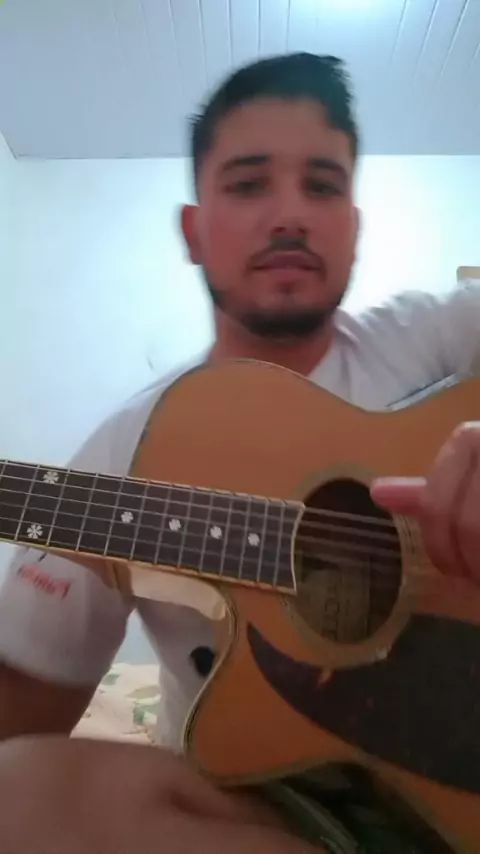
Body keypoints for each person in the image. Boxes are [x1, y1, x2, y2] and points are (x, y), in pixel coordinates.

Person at [0, 52, 479, 852]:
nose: (289, 214)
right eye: (250, 184)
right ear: (195, 231)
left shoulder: (439, 338)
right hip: (276, 814)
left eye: (321, 185)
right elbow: (22, 708)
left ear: (354, 226)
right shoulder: (127, 451)